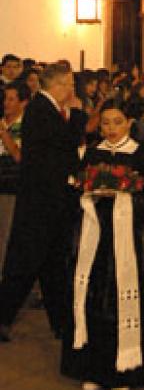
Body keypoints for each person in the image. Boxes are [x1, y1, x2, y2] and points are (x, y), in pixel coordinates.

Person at [60, 99, 144, 390]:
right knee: (90, 300)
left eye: (117, 122)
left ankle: (122, 372)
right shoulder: (93, 152)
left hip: (125, 240)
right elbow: (76, 187)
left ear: (129, 123)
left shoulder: (139, 154)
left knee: (119, 302)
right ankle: (91, 369)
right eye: (105, 123)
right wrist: (88, 195)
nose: (111, 129)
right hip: (94, 238)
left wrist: (123, 199)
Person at [0, 63, 87, 342]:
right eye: (69, 84)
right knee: (24, 265)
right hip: (39, 203)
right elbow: (68, 140)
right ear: (57, 85)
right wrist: (78, 113)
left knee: (53, 265)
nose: (73, 89)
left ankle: (61, 323)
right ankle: (4, 318)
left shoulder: (53, 111)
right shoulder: (41, 110)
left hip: (54, 202)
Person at [0, 82, 31, 278]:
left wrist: (4, 133)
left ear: (23, 102)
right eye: (5, 99)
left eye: (12, 99)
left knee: (5, 233)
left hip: (10, 184)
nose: (6, 103)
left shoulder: (25, 127)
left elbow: (19, 156)